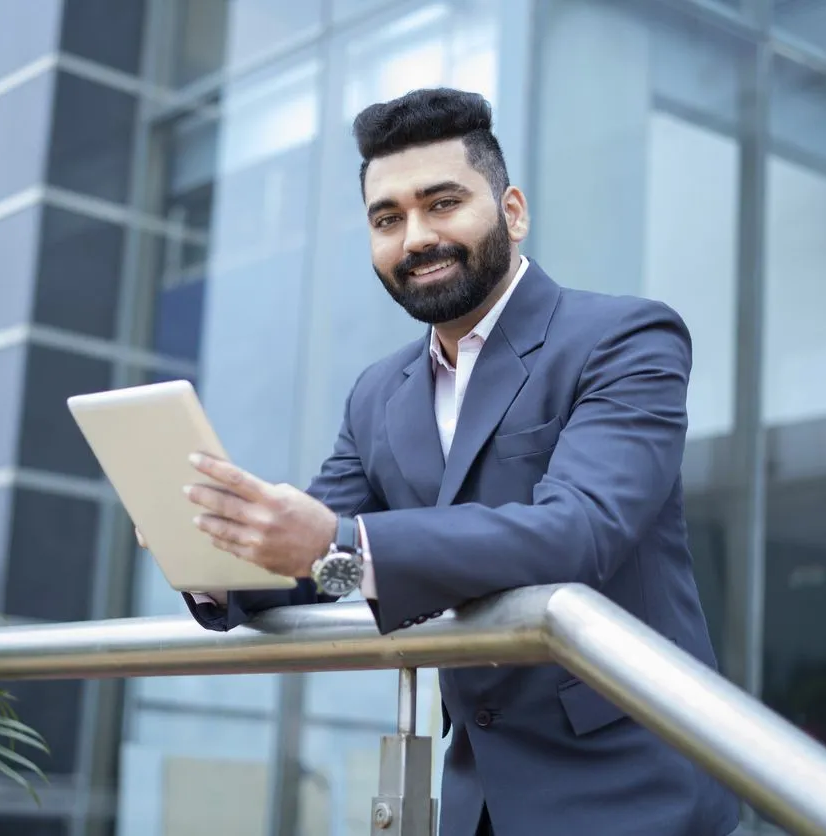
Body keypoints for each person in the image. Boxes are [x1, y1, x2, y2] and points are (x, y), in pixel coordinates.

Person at [162, 87, 740, 836]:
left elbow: (579, 529)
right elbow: (325, 556)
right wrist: (223, 564)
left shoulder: (625, 339)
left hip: (632, 792)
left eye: (442, 203)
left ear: (513, 211)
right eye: (387, 218)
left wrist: (336, 542)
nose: (415, 237)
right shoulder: (379, 394)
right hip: (476, 803)